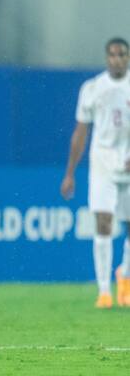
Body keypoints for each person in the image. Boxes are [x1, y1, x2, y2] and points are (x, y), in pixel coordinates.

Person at [61, 37, 130, 309]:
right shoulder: (92, 88)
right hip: (102, 162)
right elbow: (80, 132)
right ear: (106, 58)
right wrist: (70, 173)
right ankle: (104, 291)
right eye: (112, 54)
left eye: (122, 54)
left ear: (127, 57)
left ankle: (124, 274)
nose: (117, 59)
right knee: (103, 222)